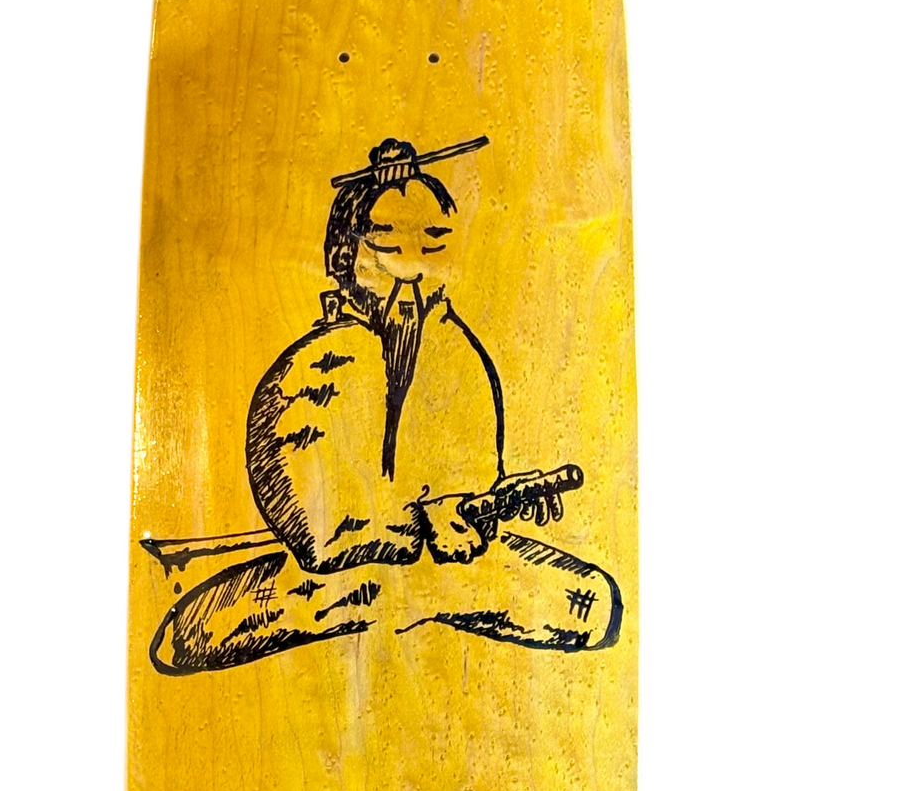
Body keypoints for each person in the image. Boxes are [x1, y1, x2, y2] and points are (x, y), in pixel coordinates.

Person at [151, 137, 620, 674]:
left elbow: (467, 492)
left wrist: (487, 510)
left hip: (437, 570)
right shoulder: (320, 363)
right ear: (344, 258)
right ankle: (406, 602)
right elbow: (319, 536)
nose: (412, 270)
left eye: (433, 244)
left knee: (590, 603)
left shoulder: (457, 351)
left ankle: (409, 601)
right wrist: (417, 524)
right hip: (335, 577)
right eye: (389, 247)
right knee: (198, 632)